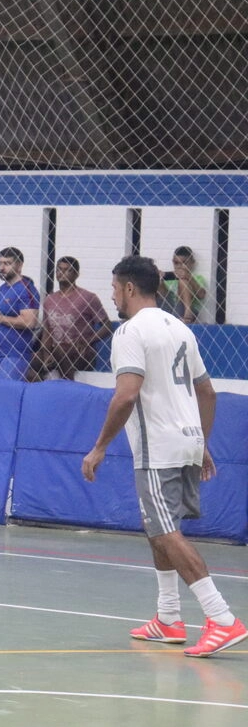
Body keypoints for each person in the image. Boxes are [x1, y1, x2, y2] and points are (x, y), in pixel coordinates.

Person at [81, 255, 245, 658]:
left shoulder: (130, 332)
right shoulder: (180, 329)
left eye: (115, 288)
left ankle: (222, 618)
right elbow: (206, 392)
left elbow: (126, 394)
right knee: (158, 527)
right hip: (187, 438)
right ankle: (169, 617)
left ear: (130, 289)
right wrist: (202, 442)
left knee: (166, 532)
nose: (113, 295)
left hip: (159, 445)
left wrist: (100, 446)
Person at [30, 256, 112, 381]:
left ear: (76, 274)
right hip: (54, 350)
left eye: (67, 270)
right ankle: (41, 391)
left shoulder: (87, 297)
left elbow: (107, 326)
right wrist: (45, 352)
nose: (61, 273)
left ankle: (69, 386)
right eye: (59, 270)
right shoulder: (50, 300)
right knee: (30, 362)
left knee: (60, 350)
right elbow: (47, 332)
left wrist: (88, 340)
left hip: (81, 352)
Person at [0, 247, 40, 381]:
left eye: (7, 263)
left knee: (6, 395)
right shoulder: (2, 289)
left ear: (19, 265)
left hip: (13, 356)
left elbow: (30, 322)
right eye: (0, 263)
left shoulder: (27, 289)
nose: (2, 268)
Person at [158, 246, 207, 325]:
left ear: (192, 263)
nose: (180, 266)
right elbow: (163, 296)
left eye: (184, 262)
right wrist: (159, 278)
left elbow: (201, 295)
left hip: (185, 310)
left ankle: (188, 313)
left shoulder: (197, 278)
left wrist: (188, 277)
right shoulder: (170, 278)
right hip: (168, 309)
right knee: (158, 282)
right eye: (176, 263)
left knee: (183, 281)